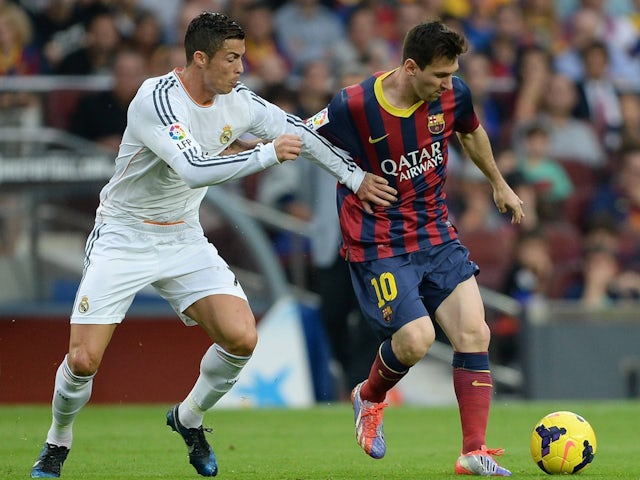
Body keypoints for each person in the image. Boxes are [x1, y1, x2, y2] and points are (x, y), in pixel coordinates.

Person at [29, 11, 397, 479]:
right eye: (231, 58)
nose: (241, 68)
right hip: (124, 235)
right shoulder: (155, 100)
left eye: (242, 57)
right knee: (83, 359)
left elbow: (301, 133)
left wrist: (354, 175)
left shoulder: (238, 101)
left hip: (182, 235)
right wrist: (264, 154)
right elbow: (194, 168)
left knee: (243, 337)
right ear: (199, 58)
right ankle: (57, 441)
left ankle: (188, 418)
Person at [307, 20, 524, 476]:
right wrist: (352, 177)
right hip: (378, 240)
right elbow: (306, 139)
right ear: (410, 67)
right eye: (440, 76)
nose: (450, 84)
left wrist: (498, 184)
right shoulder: (354, 104)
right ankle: (368, 397)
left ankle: (474, 451)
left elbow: (470, 132)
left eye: (452, 74)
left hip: (435, 233)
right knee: (416, 339)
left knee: (474, 332)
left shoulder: (454, 93)